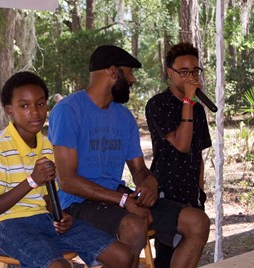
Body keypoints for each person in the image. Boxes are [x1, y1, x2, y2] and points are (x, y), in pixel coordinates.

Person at [48, 45, 210, 268]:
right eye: (130, 72)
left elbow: (139, 169)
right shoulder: (68, 110)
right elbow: (67, 180)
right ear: (113, 72)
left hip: (117, 198)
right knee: (135, 226)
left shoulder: (123, 116)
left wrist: (150, 183)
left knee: (197, 222)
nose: (133, 80)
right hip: (77, 204)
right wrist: (123, 201)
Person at [0, 71, 133, 268]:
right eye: (24, 106)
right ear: (9, 110)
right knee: (59, 266)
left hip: (44, 219)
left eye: (40, 104)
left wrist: (61, 216)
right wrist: (32, 181)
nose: (34, 112)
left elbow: (47, 198)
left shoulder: (47, 145)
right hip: (4, 226)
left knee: (122, 256)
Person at [145, 42, 212, 267]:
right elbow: (182, 144)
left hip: (191, 194)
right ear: (170, 73)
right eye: (184, 72)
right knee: (166, 257)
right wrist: (187, 102)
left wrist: (200, 192)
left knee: (189, 251)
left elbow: (197, 154)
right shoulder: (157, 105)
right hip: (165, 193)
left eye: (195, 71)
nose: (191, 77)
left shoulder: (198, 109)